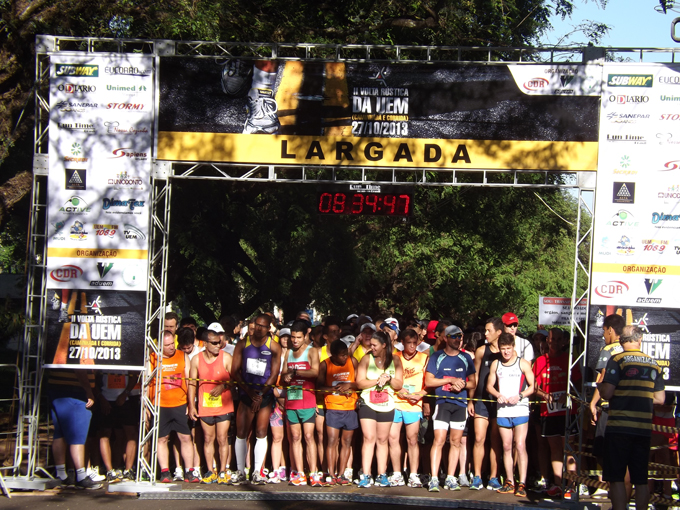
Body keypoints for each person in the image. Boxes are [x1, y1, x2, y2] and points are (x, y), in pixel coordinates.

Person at [598, 325, 665, 510]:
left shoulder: (617, 360)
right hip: (643, 428)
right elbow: (660, 399)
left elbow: (607, 392)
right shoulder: (653, 363)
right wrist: (640, 395)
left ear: (621, 340)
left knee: (616, 477)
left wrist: (601, 388)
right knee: (641, 479)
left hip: (619, 427)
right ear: (639, 340)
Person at [230, 314, 282, 485]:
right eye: (257, 325)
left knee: (261, 432)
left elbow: (274, 374)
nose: (259, 329)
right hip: (246, 393)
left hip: (264, 394)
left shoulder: (274, 347)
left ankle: (257, 472)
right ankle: (240, 471)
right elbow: (235, 371)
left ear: (269, 328)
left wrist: (260, 394)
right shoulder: (242, 344)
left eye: (263, 326)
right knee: (241, 432)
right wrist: (249, 391)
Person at [424, 325, 476, 492]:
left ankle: (451, 477)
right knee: (439, 440)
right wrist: (450, 380)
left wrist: (462, 384)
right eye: (454, 336)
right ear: (446, 338)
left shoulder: (466, 357)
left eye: (460, 336)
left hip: (460, 404)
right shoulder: (437, 356)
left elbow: (473, 383)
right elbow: (429, 381)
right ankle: (433, 478)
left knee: (455, 441)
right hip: (442, 403)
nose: (457, 339)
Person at [485, 332, 535, 498]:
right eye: (503, 349)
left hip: (520, 409)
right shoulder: (496, 364)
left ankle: (522, 483)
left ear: (513, 347)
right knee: (506, 446)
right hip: (503, 410)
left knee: (519, 445)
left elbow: (533, 386)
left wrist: (520, 396)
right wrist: (497, 394)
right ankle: (509, 481)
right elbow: (489, 386)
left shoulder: (523, 363)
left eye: (508, 348)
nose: (506, 352)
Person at [533, 328, 580, 498]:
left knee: (569, 447)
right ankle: (559, 484)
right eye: (552, 339)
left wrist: (567, 395)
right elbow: (534, 387)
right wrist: (545, 395)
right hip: (549, 412)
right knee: (554, 449)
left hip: (568, 411)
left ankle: (571, 485)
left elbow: (578, 384)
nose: (555, 342)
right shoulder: (540, 361)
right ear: (547, 340)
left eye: (559, 339)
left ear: (564, 341)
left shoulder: (570, 359)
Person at [356, 331, 403, 488]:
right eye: (371, 345)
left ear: (384, 345)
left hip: (387, 404)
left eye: (375, 345)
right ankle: (366, 474)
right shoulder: (366, 359)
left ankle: (382, 474)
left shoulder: (395, 360)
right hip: (367, 403)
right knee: (369, 438)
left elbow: (399, 384)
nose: (372, 348)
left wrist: (389, 379)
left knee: (383, 440)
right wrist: (377, 380)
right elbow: (359, 383)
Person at [187, 328, 234, 484]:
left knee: (222, 438)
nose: (217, 346)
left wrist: (223, 386)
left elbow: (235, 379)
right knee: (208, 439)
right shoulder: (196, 360)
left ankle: (222, 471)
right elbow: (192, 384)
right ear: (205, 344)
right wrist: (191, 405)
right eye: (214, 343)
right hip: (205, 405)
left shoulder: (226, 358)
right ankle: (210, 470)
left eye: (219, 342)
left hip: (223, 405)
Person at [151, 331, 197, 483]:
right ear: (160, 346)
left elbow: (190, 381)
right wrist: (146, 406)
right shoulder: (152, 358)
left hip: (180, 404)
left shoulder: (182, 356)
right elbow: (147, 383)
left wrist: (191, 404)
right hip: (160, 405)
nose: (172, 347)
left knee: (185, 437)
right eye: (167, 345)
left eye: (172, 343)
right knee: (162, 438)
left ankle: (189, 471)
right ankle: (165, 472)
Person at [589, 313, 625, 498]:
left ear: (611, 330)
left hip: (607, 405)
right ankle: (620, 489)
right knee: (620, 451)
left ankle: (611, 485)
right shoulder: (627, 349)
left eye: (604, 331)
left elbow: (602, 378)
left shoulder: (608, 349)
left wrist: (593, 402)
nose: (603, 336)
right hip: (624, 406)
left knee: (601, 449)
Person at [281, 320, 321, 486]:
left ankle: (314, 473)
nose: (295, 340)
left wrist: (297, 372)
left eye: (298, 337)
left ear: (305, 336)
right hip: (292, 401)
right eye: (293, 337)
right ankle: (300, 473)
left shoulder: (311, 351)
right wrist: (286, 376)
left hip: (308, 400)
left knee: (309, 436)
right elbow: (283, 373)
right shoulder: (288, 353)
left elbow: (315, 372)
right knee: (295, 437)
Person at [48, 369, 101, 489]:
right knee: (78, 434)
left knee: (60, 433)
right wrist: (88, 391)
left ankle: (61, 474)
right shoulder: (81, 355)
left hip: (57, 388)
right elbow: (79, 368)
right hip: (75, 390)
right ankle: (81, 476)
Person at [316, 339, 359, 485]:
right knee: (332, 441)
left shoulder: (352, 361)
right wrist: (333, 389)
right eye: (341, 355)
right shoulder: (325, 364)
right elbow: (318, 388)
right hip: (333, 408)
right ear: (333, 355)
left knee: (346, 442)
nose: (345, 357)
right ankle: (330, 473)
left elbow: (360, 383)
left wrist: (349, 385)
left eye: (346, 354)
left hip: (350, 408)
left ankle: (341, 474)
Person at [390, 329, 428, 488]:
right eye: (408, 343)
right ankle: (396, 473)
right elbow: (389, 378)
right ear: (402, 343)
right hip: (395, 403)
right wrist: (399, 389)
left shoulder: (424, 358)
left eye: (414, 343)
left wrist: (420, 395)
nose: (412, 346)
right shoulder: (395, 357)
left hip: (414, 405)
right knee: (393, 438)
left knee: (412, 439)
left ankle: (413, 474)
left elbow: (429, 382)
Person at [468, 317, 503, 490]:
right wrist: (471, 400)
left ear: (499, 332)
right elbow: (474, 377)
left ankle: (494, 477)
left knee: (495, 439)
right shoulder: (482, 350)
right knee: (479, 438)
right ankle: (477, 476)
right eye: (485, 330)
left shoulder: (506, 352)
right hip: (481, 400)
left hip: (499, 402)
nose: (485, 334)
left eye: (489, 331)